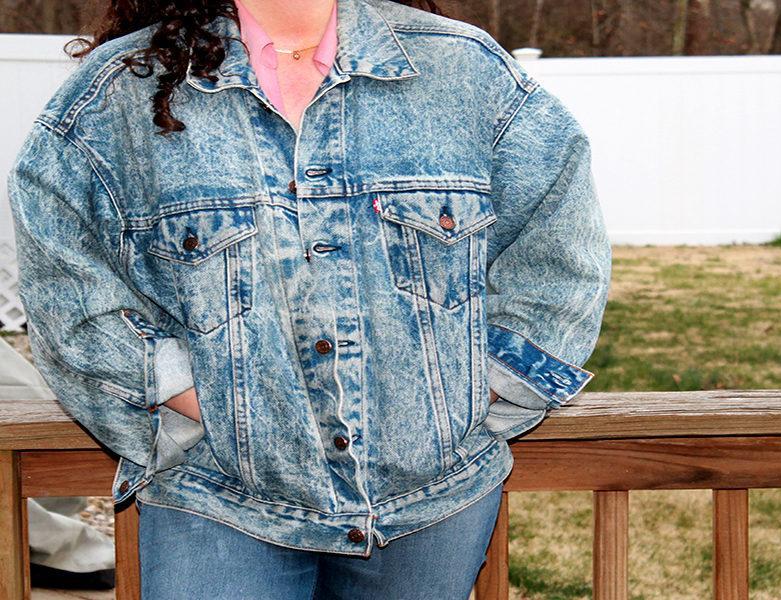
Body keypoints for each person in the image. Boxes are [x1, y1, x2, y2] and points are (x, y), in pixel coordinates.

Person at [7, 0, 612, 597]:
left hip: (432, 505)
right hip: (216, 499)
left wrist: (467, 397)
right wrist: (192, 400)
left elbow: (558, 252)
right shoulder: (120, 93)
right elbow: (65, 277)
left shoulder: (463, 70)